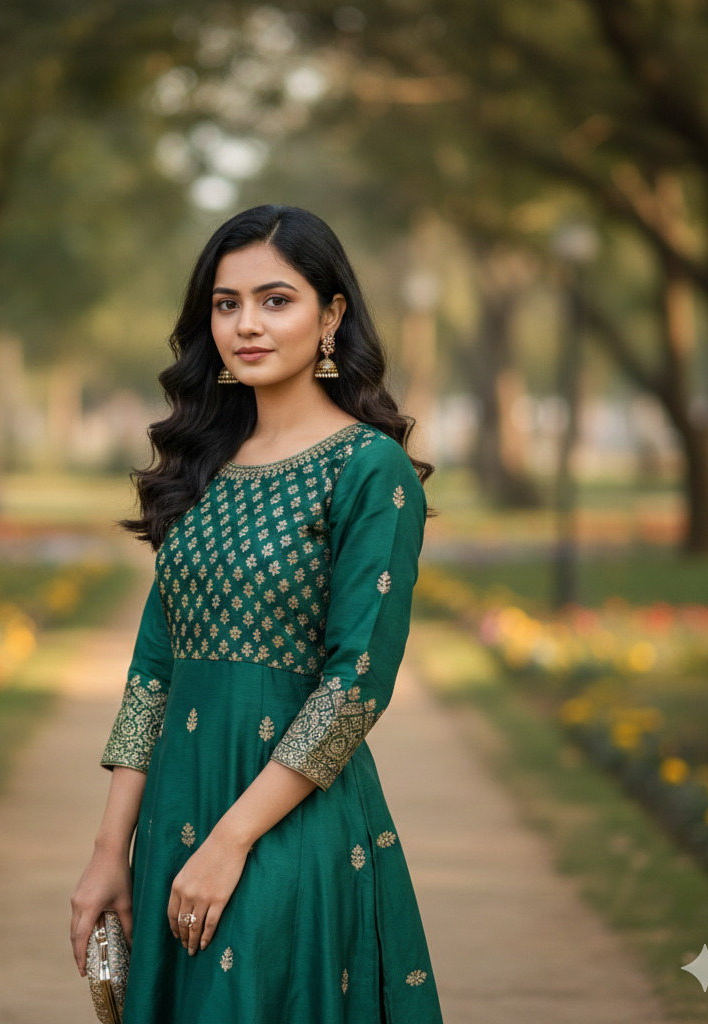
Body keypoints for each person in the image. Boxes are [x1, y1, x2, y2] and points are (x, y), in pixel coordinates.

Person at [70, 204, 444, 1023]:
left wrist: (232, 840)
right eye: (226, 303)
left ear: (331, 316)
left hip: (291, 827)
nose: (247, 324)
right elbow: (153, 674)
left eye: (276, 300)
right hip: (176, 816)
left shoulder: (369, 469)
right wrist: (109, 851)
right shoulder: (205, 468)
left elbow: (355, 686)